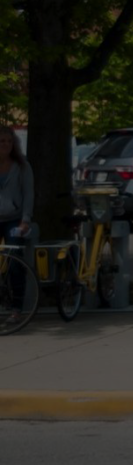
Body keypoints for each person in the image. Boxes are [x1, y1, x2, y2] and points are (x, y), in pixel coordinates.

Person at [0, 128, 34, 321]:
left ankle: (17, 308)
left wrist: (25, 221)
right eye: (1, 141)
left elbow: (28, 194)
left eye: (9, 141)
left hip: (14, 219)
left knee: (14, 262)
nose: (5, 144)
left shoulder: (22, 166)